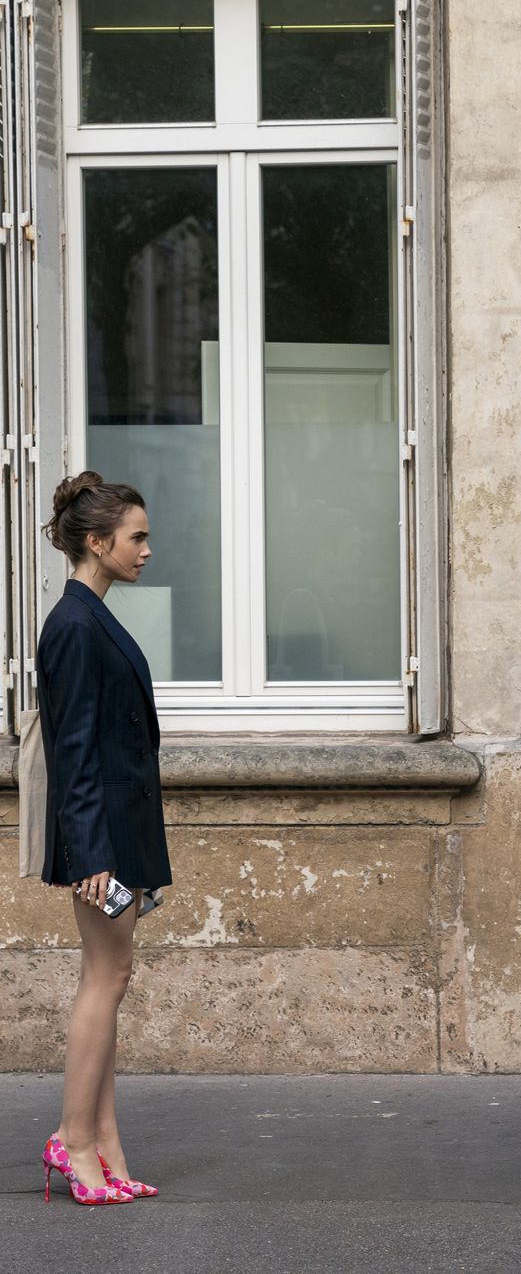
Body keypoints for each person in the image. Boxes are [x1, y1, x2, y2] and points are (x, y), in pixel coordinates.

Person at [37, 471, 172, 1205]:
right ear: (97, 542)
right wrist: (90, 856)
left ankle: (105, 1142)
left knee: (109, 981)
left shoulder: (90, 615)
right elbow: (74, 750)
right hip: (102, 838)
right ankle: (74, 1141)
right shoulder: (75, 625)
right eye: (137, 537)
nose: (148, 549)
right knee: (105, 979)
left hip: (116, 829)